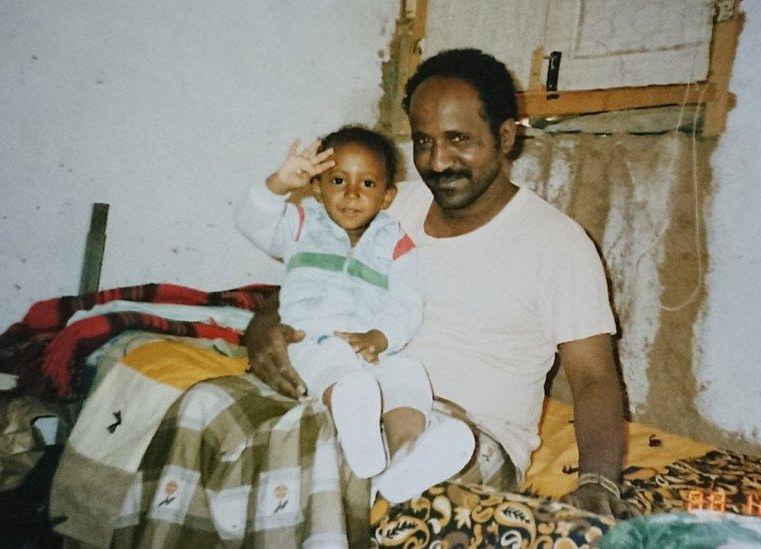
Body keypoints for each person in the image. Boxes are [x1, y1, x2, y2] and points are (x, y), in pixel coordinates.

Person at [245, 49, 632, 518]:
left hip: (468, 435)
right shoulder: (388, 206)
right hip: (364, 392)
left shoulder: (559, 244)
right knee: (211, 410)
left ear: (506, 137)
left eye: (458, 139)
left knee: (314, 456)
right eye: (423, 141)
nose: (438, 161)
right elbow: (317, 271)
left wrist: (597, 483)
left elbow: (594, 379)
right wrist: (265, 323)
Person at [234, 125, 475, 503]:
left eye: (367, 184)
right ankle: (359, 440)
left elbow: (407, 301)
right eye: (338, 180)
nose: (351, 194)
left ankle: (407, 453)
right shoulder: (301, 225)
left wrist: (382, 337)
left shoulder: (395, 242)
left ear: (386, 196)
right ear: (316, 186)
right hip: (310, 339)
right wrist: (279, 183)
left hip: (371, 347)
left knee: (409, 372)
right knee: (340, 371)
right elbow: (251, 221)